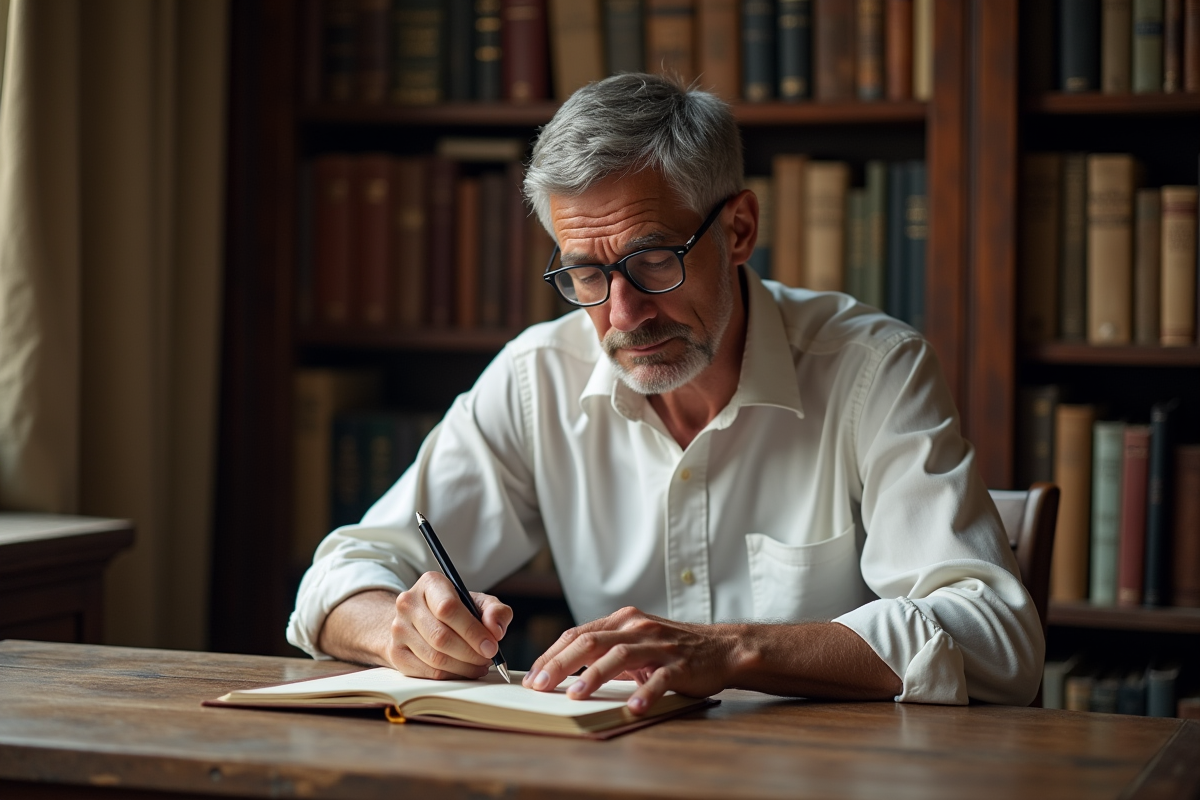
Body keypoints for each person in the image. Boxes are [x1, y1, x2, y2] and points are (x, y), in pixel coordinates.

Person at [287, 73, 1043, 712]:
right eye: (585, 272)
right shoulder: (537, 377)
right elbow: (341, 573)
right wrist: (401, 630)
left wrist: (733, 651)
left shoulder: (874, 370)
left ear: (739, 229)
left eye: (653, 260)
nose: (622, 316)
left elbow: (996, 637)